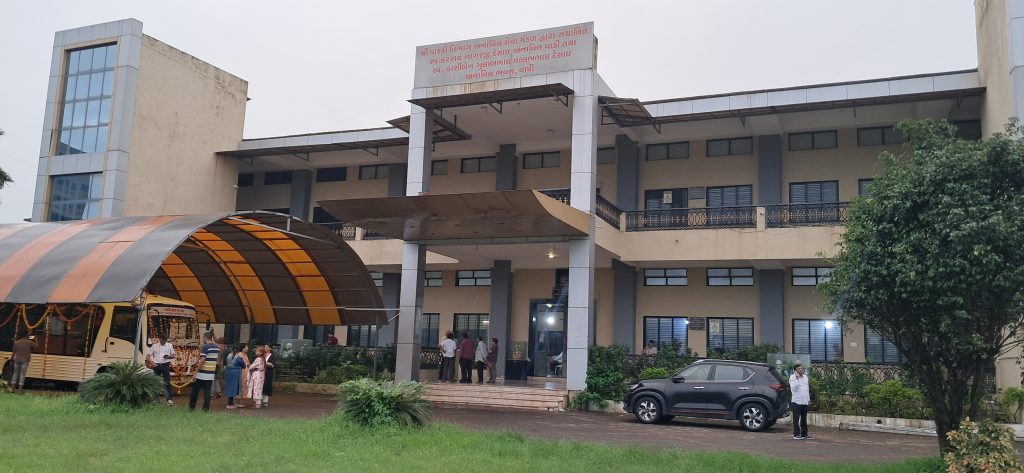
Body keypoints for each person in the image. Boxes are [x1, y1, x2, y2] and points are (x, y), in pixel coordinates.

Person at [188, 331, 221, 412]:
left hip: (202, 373)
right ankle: (205, 409)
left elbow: (202, 360)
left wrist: (196, 372)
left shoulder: (205, 347)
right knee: (207, 392)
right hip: (210, 374)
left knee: (195, 391)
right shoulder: (217, 348)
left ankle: (191, 407)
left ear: (205, 338)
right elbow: (219, 348)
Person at [147, 334, 176, 406]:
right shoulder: (154, 346)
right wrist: (152, 363)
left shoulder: (169, 345)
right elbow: (147, 357)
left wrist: (168, 356)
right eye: (162, 341)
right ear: (159, 339)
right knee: (156, 382)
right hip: (156, 365)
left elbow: (173, 355)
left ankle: (169, 399)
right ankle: (155, 399)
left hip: (165, 365)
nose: (164, 342)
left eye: (165, 341)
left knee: (167, 382)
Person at [790, 363, 812, 440]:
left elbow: (807, 388)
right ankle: (796, 434)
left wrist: (808, 399)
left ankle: (804, 434)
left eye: (802, 368)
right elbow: (794, 389)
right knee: (796, 418)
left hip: (804, 401)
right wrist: (797, 378)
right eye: (799, 369)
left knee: (804, 418)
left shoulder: (805, 377)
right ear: (795, 370)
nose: (801, 369)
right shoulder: (792, 377)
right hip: (796, 401)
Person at [223, 344, 246, 409]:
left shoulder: (229, 355)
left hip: (228, 372)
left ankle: (230, 403)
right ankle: (229, 404)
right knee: (233, 388)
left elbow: (226, 363)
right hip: (235, 373)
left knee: (230, 388)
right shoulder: (239, 357)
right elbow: (244, 366)